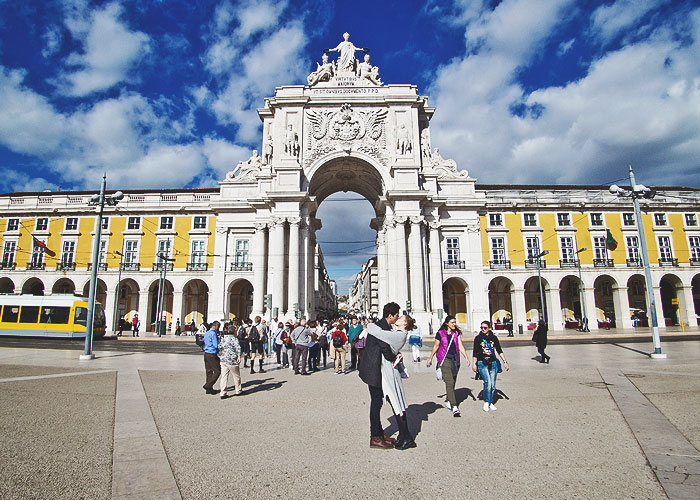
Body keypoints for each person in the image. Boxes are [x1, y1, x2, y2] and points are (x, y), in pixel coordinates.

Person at [360, 303, 415, 450]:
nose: (398, 317)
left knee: (379, 403)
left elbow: (387, 346)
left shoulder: (383, 327)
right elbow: (386, 350)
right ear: (391, 316)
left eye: (400, 316)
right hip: (375, 370)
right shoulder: (382, 328)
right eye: (397, 315)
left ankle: (379, 434)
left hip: (378, 370)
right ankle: (376, 437)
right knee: (377, 403)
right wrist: (395, 356)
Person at [426, 315, 471, 417]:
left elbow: (460, 345)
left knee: (453, 381)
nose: (454, 324)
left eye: (455, 322)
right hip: (444, 359)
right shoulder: (440, 334)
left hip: (455, 359)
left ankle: (448, 399)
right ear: (447, 323)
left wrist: (466, 357)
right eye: (452, 322)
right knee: (449, 381)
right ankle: (454, 406)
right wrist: (431, 358)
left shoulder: (456, 333)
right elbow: (436, 346)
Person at [472, 321, 509, 412]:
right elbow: (475, 352)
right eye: (481, 328)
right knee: (487, 383)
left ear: (489, 328)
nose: (483, 329)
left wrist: (505, 361)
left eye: (485, 328)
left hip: (493, 363)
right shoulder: (478, 338)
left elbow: (499, 350)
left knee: (492, 384)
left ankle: (490, 402)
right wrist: (474, 363)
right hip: (482, 362)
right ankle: (486, 402)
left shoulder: (494, 338)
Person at [218, 323, 242, 398]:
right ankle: (238, 390)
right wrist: (239, 356)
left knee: (224, 376)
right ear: (234, 331)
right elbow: (238, 348)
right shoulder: (235, 339)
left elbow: (220, 346)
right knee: (236, 376)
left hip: (224, 359)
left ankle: (223, 392)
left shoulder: (224, 338)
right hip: (232, 360)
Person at [202, 321, 221, 395]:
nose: (218, 329)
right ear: (215, 326)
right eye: (218, 327)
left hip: (206, 353)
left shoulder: (207, 332)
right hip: (212, 353)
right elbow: (216, 344)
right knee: (217, 371)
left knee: (209, 371)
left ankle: (209, 389)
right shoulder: (213, 333)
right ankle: (208, 385)